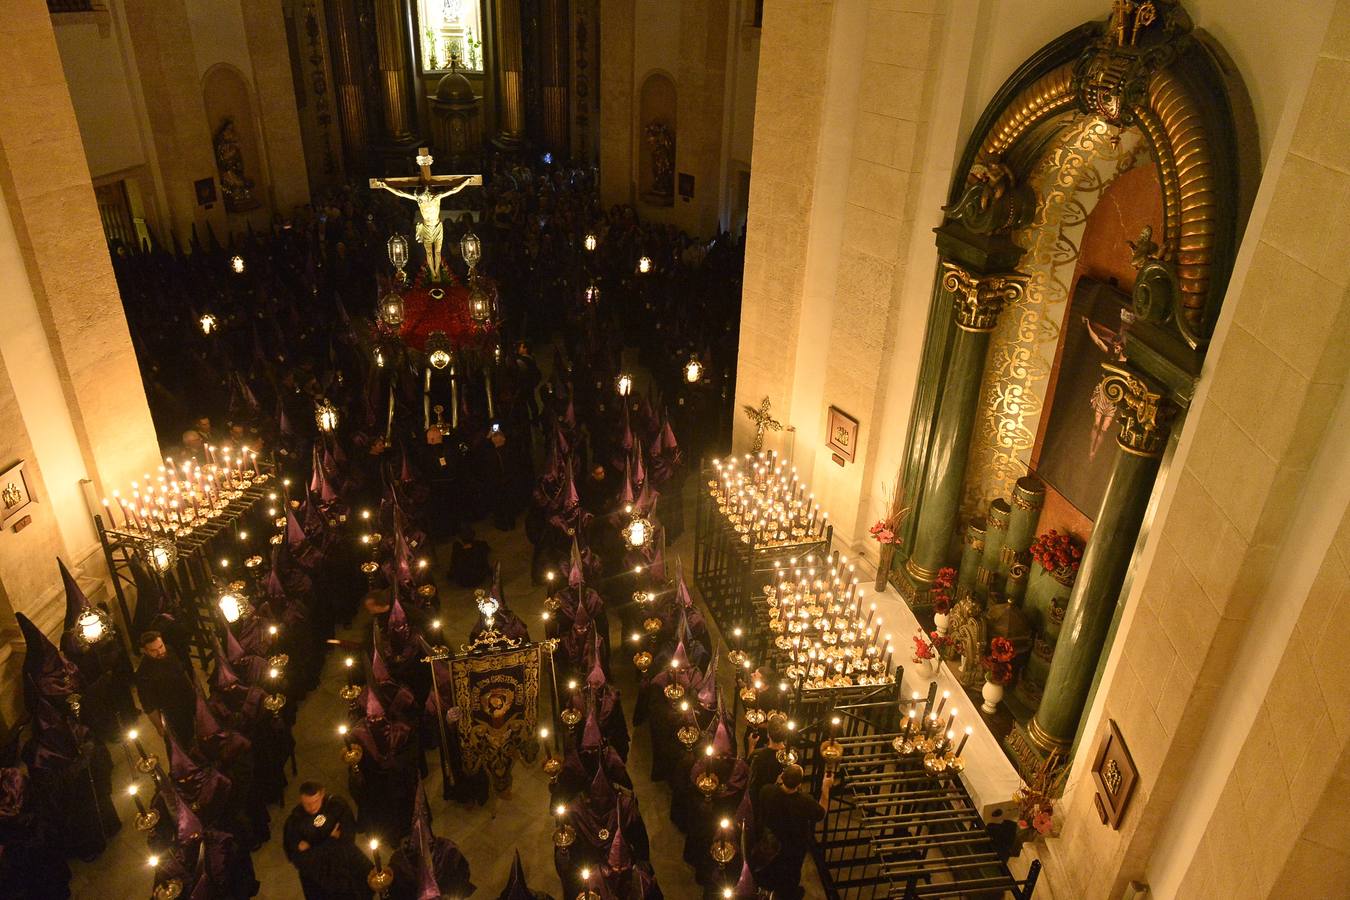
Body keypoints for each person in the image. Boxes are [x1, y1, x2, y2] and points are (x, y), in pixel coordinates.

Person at [283, 781, 372, 899]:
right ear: (301, 800)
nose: (312, 807)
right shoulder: (295, 822)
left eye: (315, 801)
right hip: (317, 875)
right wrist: (331, 839)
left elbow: (348, 838)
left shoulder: (336, 806)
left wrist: (312, 845)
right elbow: (300, 859)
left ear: (322, 794)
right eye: (307, 804)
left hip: (344, 862)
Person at [755, 764, 832, 900]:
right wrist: (825, 788)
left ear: (782, 777)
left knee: (770, 870)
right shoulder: (805, 801)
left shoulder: (766, 791)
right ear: (800, 783)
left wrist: (777, 783)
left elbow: (768, 797)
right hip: (794, 849)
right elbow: (822, 813)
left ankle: (766, 891)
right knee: (790, 877)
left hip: (770, 843)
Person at [134, 630, 197, 751]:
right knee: (180, 745)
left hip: (187, 700)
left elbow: (182, 672)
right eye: (154, 650)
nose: (160, 652)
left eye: (160, 646)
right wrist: (159, 727)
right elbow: (149, 706)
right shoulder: (143, 674)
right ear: (146, 651)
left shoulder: (170, 651)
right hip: (172, 712)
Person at [746, 717, 790, 815]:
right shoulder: (793, 755)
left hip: (761, 802)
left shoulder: (758, 755)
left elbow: (749, 772)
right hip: (786, 804)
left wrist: (751, 746)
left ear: (768, 734)